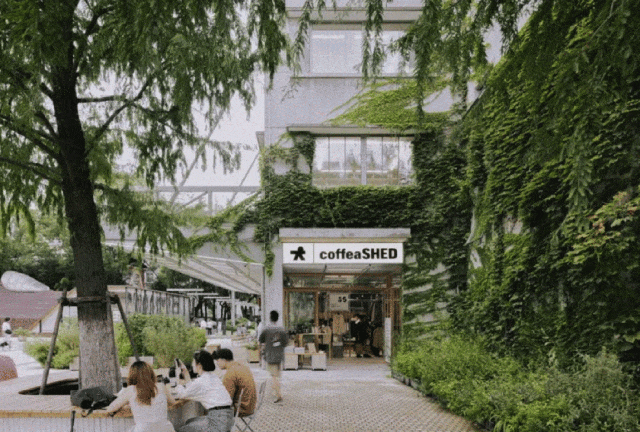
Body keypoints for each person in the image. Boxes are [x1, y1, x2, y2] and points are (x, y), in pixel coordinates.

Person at [106, 360, 176, 432]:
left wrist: (127, 405)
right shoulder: (161, 386)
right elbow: (173, 402)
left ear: (132, 376)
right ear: (150, 373)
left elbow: (110, 409)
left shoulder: (131, 390)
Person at [174, 350, 233, 432]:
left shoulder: (201, 381)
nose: (192, 365)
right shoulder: (213, 377)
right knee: (190, 421)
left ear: (199, 365)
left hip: (217, 423)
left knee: (182, 429)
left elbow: (182, 394)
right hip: (226, 419)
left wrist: (178, 382)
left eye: (193, 362)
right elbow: (193, 389)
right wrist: (186, 375)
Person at [212, 348, 256, 417]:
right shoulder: (242, 366)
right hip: (250, 406)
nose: (217, 363)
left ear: (223, 359)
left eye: (217, 360)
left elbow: (226, 398)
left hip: (241, 409)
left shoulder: (230, 373)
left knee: (210, 408)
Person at [258, 310, 288, 403]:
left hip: (270, 355)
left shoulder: (266, 329)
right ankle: (275, 391)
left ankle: (278, 395)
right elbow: (285, 343)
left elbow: (261, 340)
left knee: (274, 376)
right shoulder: (281, 329)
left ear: (270, 318)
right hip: (279, 355)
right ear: (277, 318)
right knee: (277, 375)